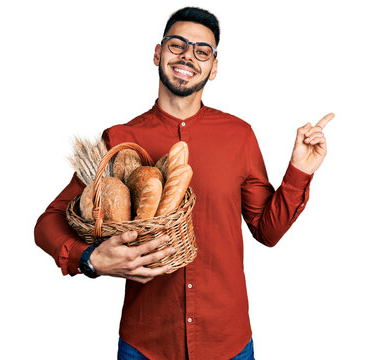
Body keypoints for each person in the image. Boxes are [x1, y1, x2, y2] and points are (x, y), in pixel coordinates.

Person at [34, 6, 334, 360]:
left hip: (228, 342)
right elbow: (48, 222)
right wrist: (90, 260)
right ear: (158, 53)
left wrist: (299, 171)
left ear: (214, 67)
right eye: (177, 45)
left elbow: (267, 231)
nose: (188, 56)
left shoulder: (239, 136)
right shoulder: (119, 140)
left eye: (202, 51)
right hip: (146, 344)